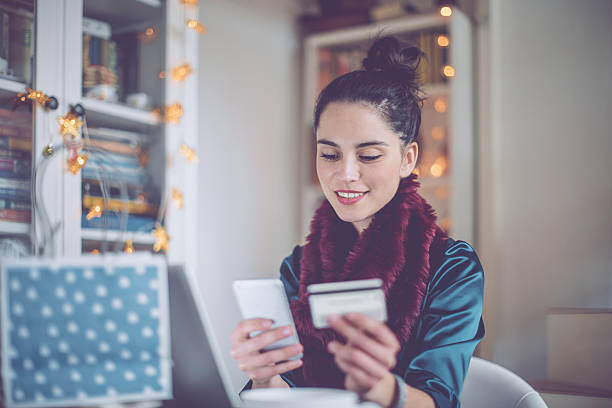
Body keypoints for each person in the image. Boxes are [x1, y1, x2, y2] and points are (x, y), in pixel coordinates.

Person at [230, 36, 484, 408]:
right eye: (330, 154)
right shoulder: (298, 267)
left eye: (368, 155)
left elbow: (438, 400)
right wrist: (265, 376)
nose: (345, 174)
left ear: (407, 158)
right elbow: (291, 397)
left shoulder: (451, 268)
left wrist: (379, 386)